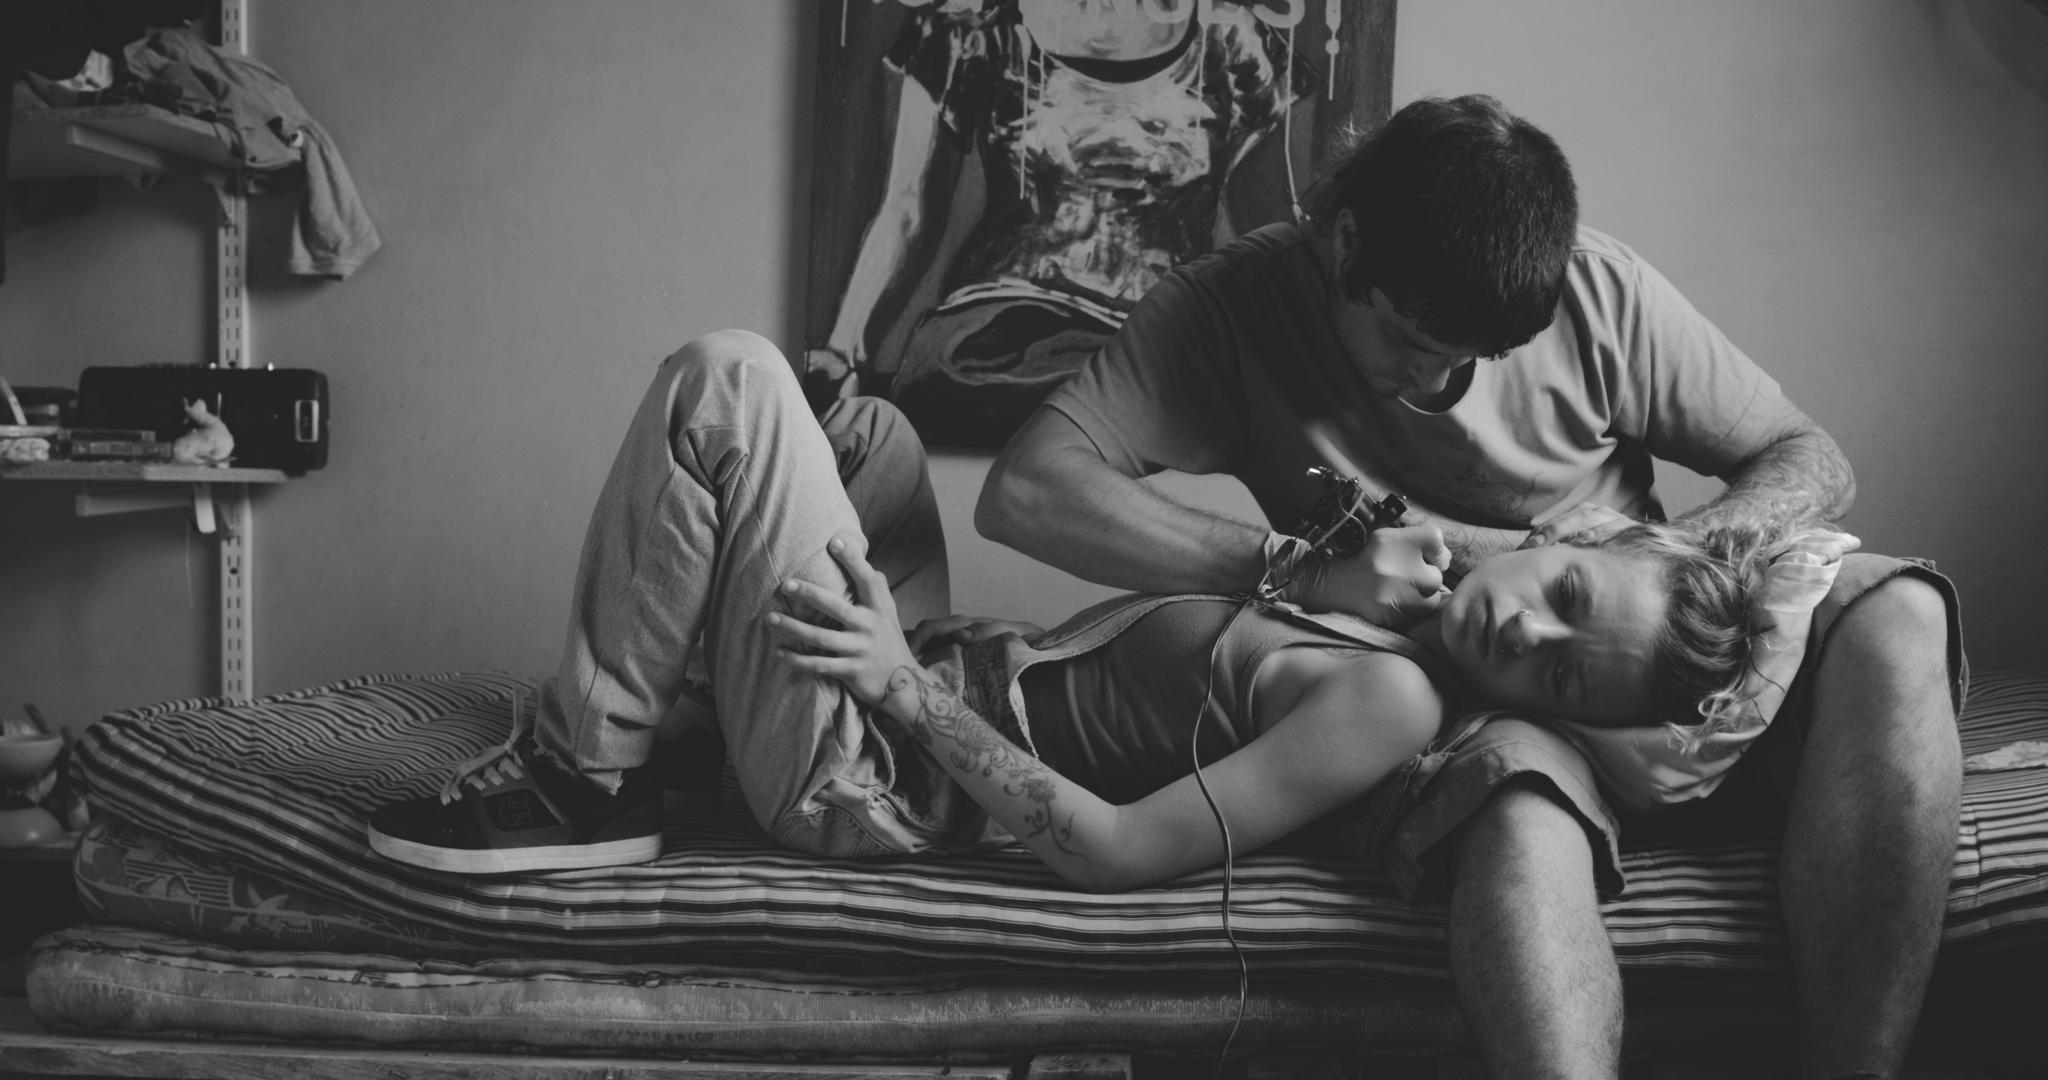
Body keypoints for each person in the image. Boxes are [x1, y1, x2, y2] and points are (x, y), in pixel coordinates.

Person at [972, 93, 1965, 1080]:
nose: (1436, 379)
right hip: (1487, 695)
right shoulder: (1227, 307)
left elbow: (1810, 458)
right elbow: (1027, 491)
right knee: (1515, 803)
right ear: (1345, 242)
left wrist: (1648, 557)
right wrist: (1298, 567)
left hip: (1654, 619)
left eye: (1473, 358)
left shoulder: (1601, 288)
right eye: (1411, 344)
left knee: (1902, 611)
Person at [367, 328, 1799, 895]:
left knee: (726, 382)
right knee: (865, 434)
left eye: (1561, 677)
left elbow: (1117, 853)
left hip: (879, 778)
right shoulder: (1405, 591)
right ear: (1574, 536)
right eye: (1564, 597)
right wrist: (1322, 569)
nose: (1525, 638)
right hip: (940, 665)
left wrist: (895, 685)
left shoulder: (1391, 700)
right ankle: (699, 701)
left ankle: (585, 777)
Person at [806, 0, 1311, 447]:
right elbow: (909, 209)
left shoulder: (1233, 37)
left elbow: (1271, 237)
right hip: (994, 335)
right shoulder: (971, 27)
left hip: (1162, 342)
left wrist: (1316, 369)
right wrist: (843, 349)